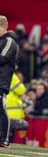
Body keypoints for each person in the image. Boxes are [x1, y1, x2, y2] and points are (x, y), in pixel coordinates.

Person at [0, 16, 18, 147]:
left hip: (1, 81)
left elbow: (3, 58)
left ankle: (4, 138)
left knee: (0, 108)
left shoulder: (9, 41)